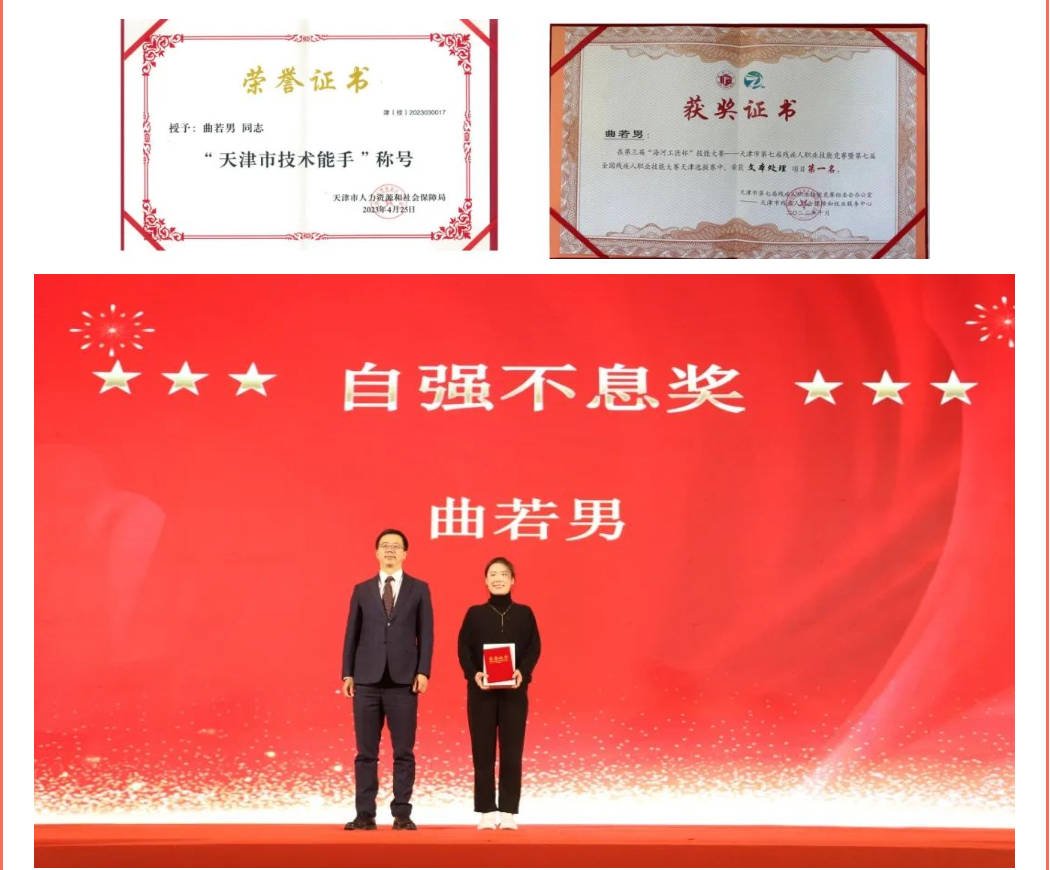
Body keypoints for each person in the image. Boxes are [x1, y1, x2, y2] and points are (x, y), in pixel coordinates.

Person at [341, 529, 433, 831]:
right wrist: (347, 673)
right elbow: (351, 634)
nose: (390, 550)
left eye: (396, 546)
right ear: (376, 552)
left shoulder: (419, 589)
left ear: (405, 553)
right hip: (366, 680)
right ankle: (365, 814)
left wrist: (423, 671)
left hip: (404, 682)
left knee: (403, 752)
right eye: (385, 546)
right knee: (365, 753)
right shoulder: (362, 590)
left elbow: (426, 634)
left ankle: (402, 813)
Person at [457, 556, 540, 830]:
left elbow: (534, 648)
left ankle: (508, 812)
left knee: (512, 752)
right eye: (493, 574)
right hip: (481, 692)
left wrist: (522, 672)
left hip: (514, 692)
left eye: (504, 574)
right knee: (482, 753)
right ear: (485, 580)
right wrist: (474, 674)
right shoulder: (474, 613)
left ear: (513, 580)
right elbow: (463, 648)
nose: (498, 578)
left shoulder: (525, 613)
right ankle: (486, 811)